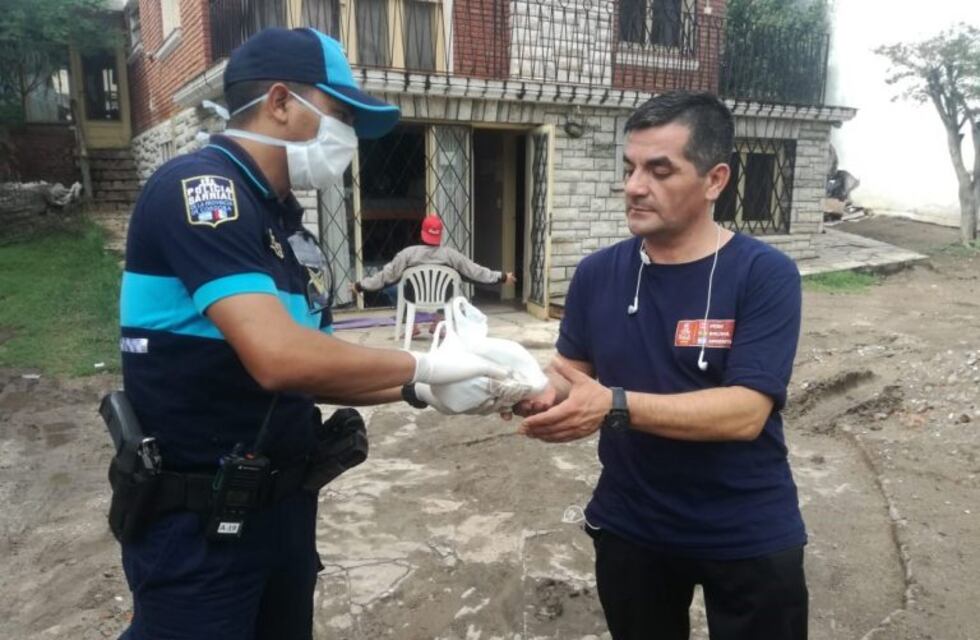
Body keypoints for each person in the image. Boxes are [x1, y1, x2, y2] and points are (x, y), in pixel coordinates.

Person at [115, 27, 509, 640]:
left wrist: (422, 395)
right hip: (198, 526)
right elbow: (279, 358)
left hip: (282, 510)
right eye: (339, 114)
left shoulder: (288, 230)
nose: (348, 136)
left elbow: (318, 363)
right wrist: (421, 367)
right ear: (279, 103)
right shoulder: (201, 194)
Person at [514, 91, 808, 640]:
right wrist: (513, 383)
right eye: (630, 168)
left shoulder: (764, 274)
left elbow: (745, 412)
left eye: (659, 170)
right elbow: (569, 371)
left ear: (715, 180)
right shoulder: (597, 273)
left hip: (746, 529)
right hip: (633, 525)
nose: (633, 187)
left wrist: (613, 404)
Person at [351, 213, 517, 306]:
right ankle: (439, 322)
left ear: (421, 232)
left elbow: (385, 277)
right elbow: (475, 271)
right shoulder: (451, 255)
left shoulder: (407, 254)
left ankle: (411, 325)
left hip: (414, 298)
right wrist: (502, 277)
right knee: (448, 288)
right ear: (440, 235)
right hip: (441, 298)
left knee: (392, 285)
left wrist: (360, 286)